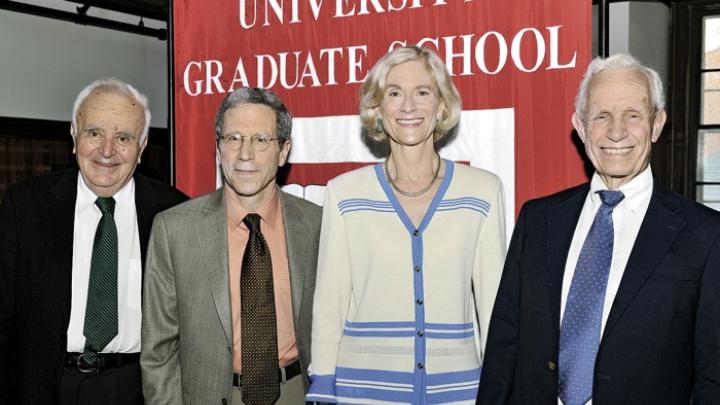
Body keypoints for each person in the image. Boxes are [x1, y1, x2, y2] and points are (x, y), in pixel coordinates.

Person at [477, 53, 720, 405]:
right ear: (580, 125)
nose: (616, 131)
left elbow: (713, 376)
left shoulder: (704, 236)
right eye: (601, 116)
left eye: (632, 115)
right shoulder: (538, 220)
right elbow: (504, 346)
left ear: (656, 124)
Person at [305, 45, 507, 405]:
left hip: (457, 393)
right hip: (363, 393)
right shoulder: (344, 194)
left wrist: (501, 388)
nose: (408, 106)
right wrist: (322, 388)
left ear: (442, 106)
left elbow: (495, 308)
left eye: (423, 92)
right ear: (377, 109)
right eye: (394, 93)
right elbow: (329, 306)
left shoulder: (483, 191)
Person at [0, 78, 187, 405]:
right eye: (94, 133)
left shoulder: (176, 212)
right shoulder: (24, 206)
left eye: (124, 137)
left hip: (138, 389)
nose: (106, 150)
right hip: (45, 388)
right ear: (74, 136)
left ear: (142, 148)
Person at [141, 87, 322, 405]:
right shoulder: (174, 229)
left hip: (296, 393)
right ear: (218, 147)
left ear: (283, 151)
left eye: (260, 140)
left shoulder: (317, 225)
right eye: (233, 138)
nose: (245, 155)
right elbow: (158, 351)